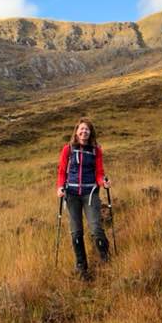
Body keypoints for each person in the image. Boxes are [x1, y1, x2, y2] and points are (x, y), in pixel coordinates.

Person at [56, 118, 110, 278]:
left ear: (90, 132)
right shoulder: (68, 149)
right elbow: (61, 172)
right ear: (76, 131)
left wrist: (103, 182)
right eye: (81, 129)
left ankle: (106, 259)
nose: (84, 132)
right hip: (71, 194)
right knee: (76, 232)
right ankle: (81, 267)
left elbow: (99, 172)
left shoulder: (96, 150)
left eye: (87, 129)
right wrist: (60, 187)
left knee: (96, 229)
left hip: (90, 193)